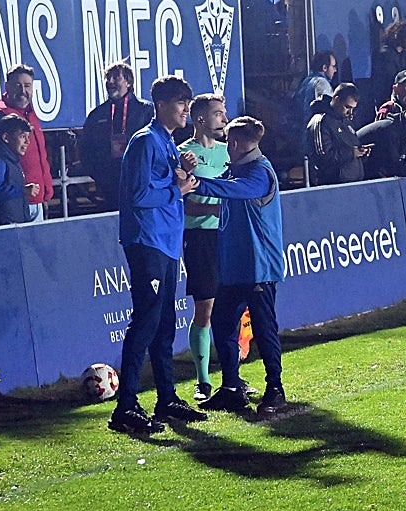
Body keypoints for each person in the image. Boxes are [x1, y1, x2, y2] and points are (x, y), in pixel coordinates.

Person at [109, 75, 207, 435]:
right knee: (146, 321)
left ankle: (166, 398)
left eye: (187, 102)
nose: (186, 109)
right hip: (146, 242)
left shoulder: (165, 142)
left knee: (165, 322)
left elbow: (164, 184)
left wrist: (184, 172)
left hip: (165, 243)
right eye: (180, 103)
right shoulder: (144, 141)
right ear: (161, 105)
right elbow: (137, 196)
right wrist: (176, 189)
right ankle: (126, 407)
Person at [193, 116, 289, 417]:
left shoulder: (260, 173)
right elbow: (225, 188)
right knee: (222, 326)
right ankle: (232, 387)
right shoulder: (236, 170)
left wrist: (194, 183)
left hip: (259, 266)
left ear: (234, 144)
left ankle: (276, 388)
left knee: (264, 328)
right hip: (234, 267)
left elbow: (233, 191)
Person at [179, 94, 229, 402]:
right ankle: (203, 380)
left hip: (228, 239)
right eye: (218, 114)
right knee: (205, 309)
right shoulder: (184, 155)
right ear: (200, 120)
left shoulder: (229, 151)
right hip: (200, 239)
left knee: (231, 308)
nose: (224, 119)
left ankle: (232, 376)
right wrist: (214, 212)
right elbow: (181, 204)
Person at [78, 61, 154, 211]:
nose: (110, 82)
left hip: (141, 183)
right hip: (109, 186)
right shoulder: (97, 114)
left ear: (129, 82)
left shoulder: (146, 110)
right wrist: (100, 176)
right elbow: (85, 148)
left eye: (115, 78)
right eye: (108, 78)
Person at [0, 63, 51, 221]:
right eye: (18, 86)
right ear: (7, 86)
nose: (23, 91)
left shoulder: (31, 113)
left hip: (36, 200)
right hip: (14, 204)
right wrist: (19, 191)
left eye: (27, 85)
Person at [306, 83, 368, 184]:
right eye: (347, 107)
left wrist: (361, 153)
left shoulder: (346, 122)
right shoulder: (321, 121)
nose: (350, 112)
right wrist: (352, 153)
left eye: (353, 108)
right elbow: (323, 157)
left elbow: (351, 151)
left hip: (354, 184)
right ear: (337, 99)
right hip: (332, 187)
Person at [0, 112, 35, 225]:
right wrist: (22, 190)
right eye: (22, 136)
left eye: (28, 137)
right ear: (6, 137)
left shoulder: (12, 159)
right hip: (4, 229)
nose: (27, 142)